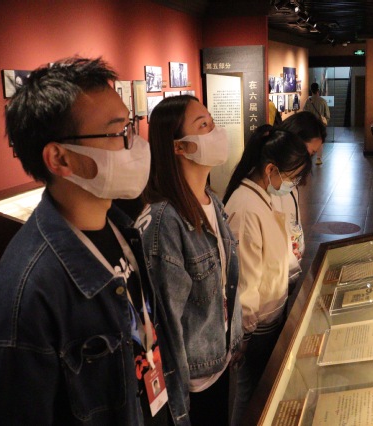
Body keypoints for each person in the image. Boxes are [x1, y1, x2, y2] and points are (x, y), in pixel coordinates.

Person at [0, 57, 189, 425]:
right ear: (60, 158)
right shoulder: (25, 295)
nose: (134, 145)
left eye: (131, 127)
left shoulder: (122, 228)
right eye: (118, 133)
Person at [137, 95, 243, 426]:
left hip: (219, 360)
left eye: (212, 122)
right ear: (179, 147)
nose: (216, 131)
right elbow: (165, 326)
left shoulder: (211, 201)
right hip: (194, 380)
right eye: (204, 125)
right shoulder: (164, 222)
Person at [223, 125, 312, 424]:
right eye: (292, 177)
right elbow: (245, 280)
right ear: (271, 169)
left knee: (258, 389)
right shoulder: (246, 206)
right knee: (252, 394)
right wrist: (245, 333)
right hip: (257, 323)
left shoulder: (262, 195)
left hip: (268, 313)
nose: (293, 184)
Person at [271, 111, 326, 294]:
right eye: (309, 153)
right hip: (272, 287)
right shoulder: (270, 184)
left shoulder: (289, 181)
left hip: (285, 276)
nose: (308, 161)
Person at [303, 82, 330, 165]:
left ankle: (309, 156)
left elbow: (304, 113)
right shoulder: (323, 101)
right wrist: (325, 122)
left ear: (311, 90)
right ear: (318, 90)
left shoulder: (308, 101)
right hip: (320, 125)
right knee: (320, 141)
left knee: (309, 140)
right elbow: (327, 115)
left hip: (310, 125)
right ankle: (318, 158)